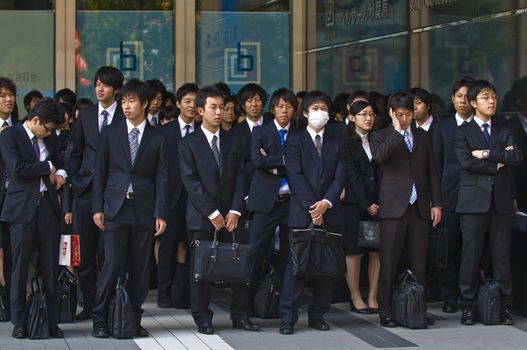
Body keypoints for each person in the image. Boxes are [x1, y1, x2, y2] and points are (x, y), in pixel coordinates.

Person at [91, 79, 168, 338]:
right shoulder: (110, 133)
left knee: (140, 268)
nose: (126, 105)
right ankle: (100, 318)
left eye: (132, 100)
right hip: (115, 207)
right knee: (111, 264)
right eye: (123, 101)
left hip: (144, 210)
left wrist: (161, 212)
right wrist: (97, 208)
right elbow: (100, 173)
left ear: (145, 103)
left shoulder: (158, 137)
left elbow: (162, 177)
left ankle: (133, 317)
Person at [179, 85, 259, 335]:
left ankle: (241, 315)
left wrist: (236, 210)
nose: (218, 112)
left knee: (240, 266)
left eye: (221, 107)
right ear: (200, 111)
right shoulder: (188, 144)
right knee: (201, 270)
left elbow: (239, 176)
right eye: (212, 107)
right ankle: (202, 317)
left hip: (232, 215)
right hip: (202, 218)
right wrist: (212, 213)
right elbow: (191, 182)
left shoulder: (234, 140)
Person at [369, 91, 442, 328]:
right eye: (400, 114)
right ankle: (386, 310)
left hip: (419, 206)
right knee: (389, 261)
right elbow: (379, 157)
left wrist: (437, 203)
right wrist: (397, 132)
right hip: (393, 207)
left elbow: (432, 171)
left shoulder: (423, 136)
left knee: (419, 261)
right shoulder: (381, 136)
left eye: (408, 114)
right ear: (391, 113)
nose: (405, 119)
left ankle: (417, 308)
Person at [453, 80, 522, 326]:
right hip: (472, 202)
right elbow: (466, 162)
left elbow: (515, 157)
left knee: (502, 257)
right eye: (485, 97)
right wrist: (498, 162)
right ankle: (468, 306)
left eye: (494, 96)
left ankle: (503, 307)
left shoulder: (504, 128)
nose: (492, 101)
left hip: (501, 202)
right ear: (473, 103)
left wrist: (486, 154)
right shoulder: (462, 131)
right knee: (470, 256)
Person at [279, 90, 346, 335]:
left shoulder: (337, 141)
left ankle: (319, 315)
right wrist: (313, 208)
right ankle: (288, 317)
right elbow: (295, 177)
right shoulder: (294, 141)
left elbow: (340, 176)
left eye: (324, 108)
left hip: (330, 213)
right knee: (296, 268)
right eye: (315, 108)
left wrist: (326, 203)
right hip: (301, 213)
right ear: (305, 113)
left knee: (326, 268)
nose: (320, 113)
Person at [0, 97, 66, 339]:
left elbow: (59, 162)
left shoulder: (49, 136)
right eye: (47, 128)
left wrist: (59, 172)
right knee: (19, 267)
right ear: (35, 120)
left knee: (51, 264)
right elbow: (17, 169)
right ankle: (19, 321)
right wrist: (45, 166)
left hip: (47, 207)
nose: (49, 134)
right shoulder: (9, 136)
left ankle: (51, 321)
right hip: (20, 209)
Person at [67, 66, 125, 321]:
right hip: (86, 192)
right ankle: (89, 303)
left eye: (106, 85)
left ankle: (110, 302)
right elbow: (74, 151)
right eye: (98, 84)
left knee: (111, 254)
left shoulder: (125, 116)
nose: (100, 89)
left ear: (117, 90)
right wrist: (76, 177)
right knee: (86, 252)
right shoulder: (87, 115)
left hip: (114, 193)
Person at [246, 88, 298, 291]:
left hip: (292, 202)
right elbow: (258, 161)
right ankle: (245, 305)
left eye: (289, 106)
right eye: (280, 106)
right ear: (273, 109)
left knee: (289, 254)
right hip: (265, 201)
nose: (284, 110)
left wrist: (272, 162)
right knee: (254, 251)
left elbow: (302, 164)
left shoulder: (300, 134)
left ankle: (283, 302)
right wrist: (286, 160)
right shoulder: (261, 131)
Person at [432, 76, 476, 313]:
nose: (463, 101)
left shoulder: (481, 125)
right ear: (452, 98)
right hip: (448, 196)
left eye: (468, 97)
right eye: (459, 96)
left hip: (476, 197)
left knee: (471, 249)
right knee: (447, 248)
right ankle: (448, 296)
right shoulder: (442, 126)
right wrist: (435, 200)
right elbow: (436, 166)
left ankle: (468, 295)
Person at [156, 82, 199, 309]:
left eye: (195, 102)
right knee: (168, 247)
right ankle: (164, 294)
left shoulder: (203, 130)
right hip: (171, 198)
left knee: (195, 248)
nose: (192, 106)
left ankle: (190, 294)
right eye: (187, 102)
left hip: (197, 200)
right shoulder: (164, 132)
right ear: (178, 104)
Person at [342, 100, 380, 314]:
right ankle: (355, 297)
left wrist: (377, 202)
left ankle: (373, 296)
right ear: (352, 117)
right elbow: (352, 175)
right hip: (355, 204)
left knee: (376, 251)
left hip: (379, 203)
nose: (368, 118)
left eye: (372, 114)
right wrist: (367, 204)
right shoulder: (346, 142)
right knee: (354, 251)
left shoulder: (378, 139)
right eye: (363, 114)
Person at [0, 77, 18, 310]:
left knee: (13, 251)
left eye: (11, 95)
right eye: (2, 95)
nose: (8, 100)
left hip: (15, 200)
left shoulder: (22, 128)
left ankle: (11, 299)